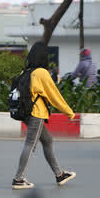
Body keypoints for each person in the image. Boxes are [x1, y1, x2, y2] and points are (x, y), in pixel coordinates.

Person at [13, 42, 77, 189]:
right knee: (30, 144)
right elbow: (54, 95)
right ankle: (18, 179)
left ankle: (59, 174)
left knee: (47, 141)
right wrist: (69, 112)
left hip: (28, 113)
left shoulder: (27, 72)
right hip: (36, 114)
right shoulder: (41, 73)